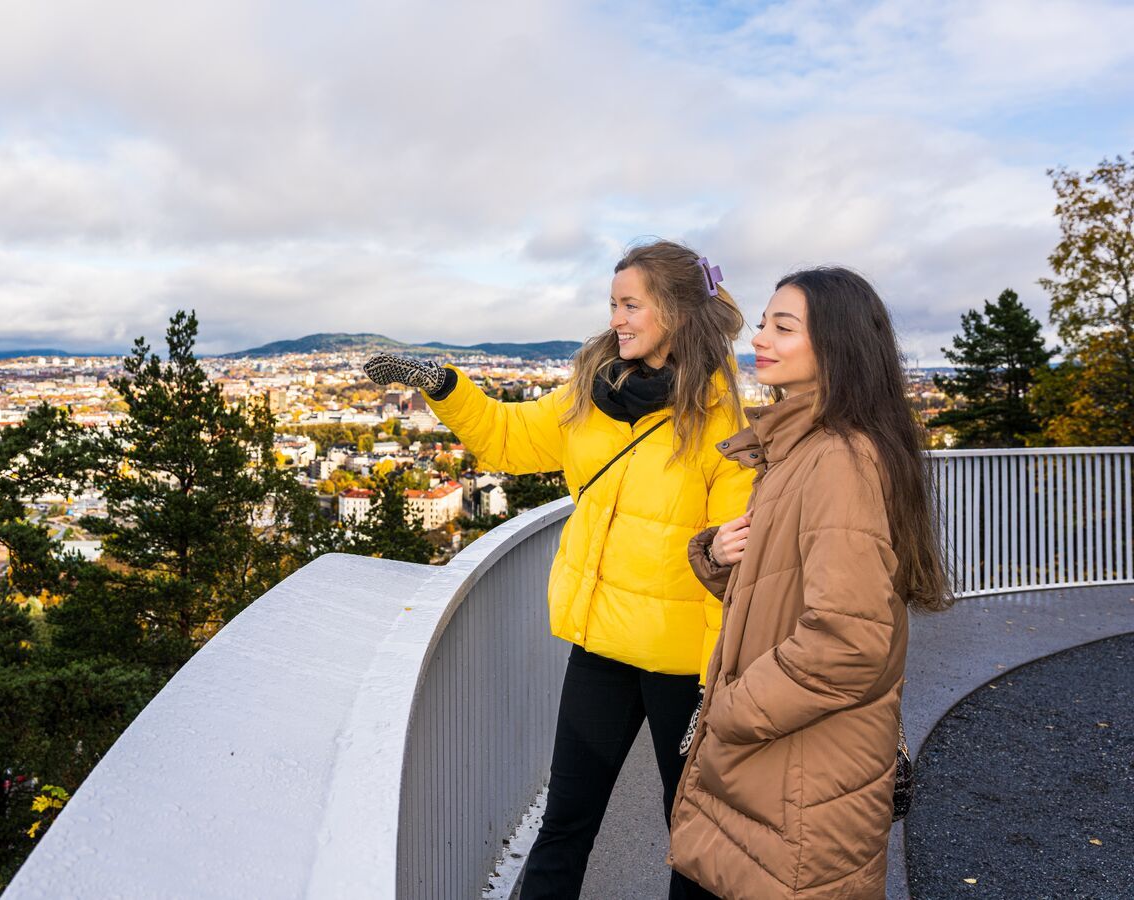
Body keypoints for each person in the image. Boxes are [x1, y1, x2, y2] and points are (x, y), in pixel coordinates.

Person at [365, 239, 750, 900]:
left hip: (685, 666)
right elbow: (507, 439)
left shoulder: (720, 422)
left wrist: (720, 687)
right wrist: (444, 386)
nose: (617, 319)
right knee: (564, 826)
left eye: (632, 305)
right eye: (613, 304)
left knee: (691, 840)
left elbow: (729, 572)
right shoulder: (590, 394)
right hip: (601, 646)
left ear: (678, 313)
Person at [668, 268, 952, 899]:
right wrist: (718, 556)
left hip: (797, 769)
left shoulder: (837, 460)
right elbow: (791, 592)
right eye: (764, 322)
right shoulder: (804, 447)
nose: (760, 338)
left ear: (836, 345)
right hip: (790, 764)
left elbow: (848, 639)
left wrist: (731, 710)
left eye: (782, 326)